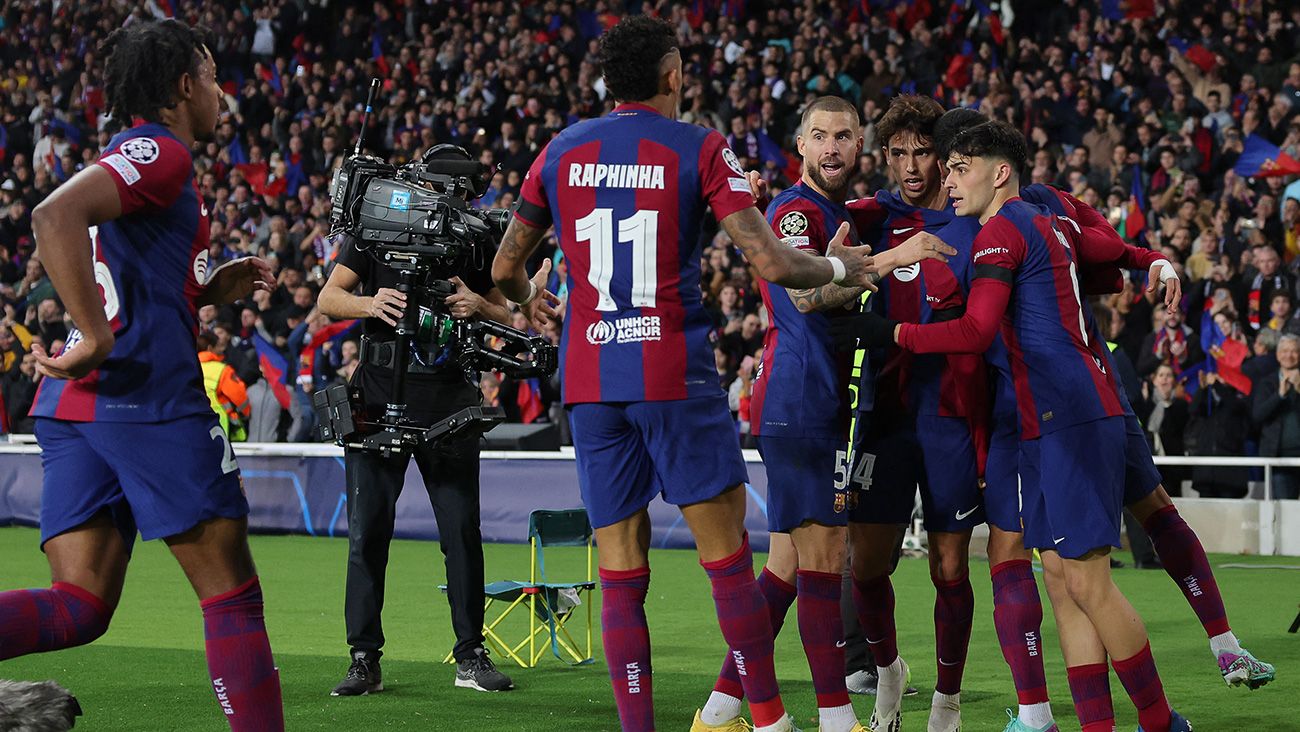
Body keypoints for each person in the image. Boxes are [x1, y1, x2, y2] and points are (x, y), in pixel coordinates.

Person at [491, 16, 876, 732]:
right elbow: (771, 262)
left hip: (593, 382)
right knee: (727, 560)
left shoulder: (558, 151)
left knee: (620, 573)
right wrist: (838, 265)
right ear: (673, 76)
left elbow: (506, 269)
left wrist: (532, 302)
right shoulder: (700, 147)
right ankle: (768, 721)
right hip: (673, 373)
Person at [845, 120, 1194, 732]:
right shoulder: (1043, 217)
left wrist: (894, 331)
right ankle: (1092, 724)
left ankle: (1163, 723)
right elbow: (1112, 260)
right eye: (943, 167)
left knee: (1089, 583)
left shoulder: (1001, 230)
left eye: (958, 167)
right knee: (1065, 580)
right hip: (1050, 416)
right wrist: (1153, 260)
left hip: (1067, 416)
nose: (948, 180)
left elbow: (977, 332)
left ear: (997, 171)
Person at [0, 19, 284, 730]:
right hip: (146, 396)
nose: (224, 92)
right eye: (215, 76)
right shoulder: (160, 151)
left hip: (74, 404)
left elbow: (125, 267)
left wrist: (207, 289)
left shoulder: (131, 157)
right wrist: (95, 333)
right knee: (231, 596)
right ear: (185, 86)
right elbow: (53, 213)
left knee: (79, 605)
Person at [694, 96, 951, 732]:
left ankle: (720, 710)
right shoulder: (796, 211)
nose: (832, 148)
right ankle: (836, 720)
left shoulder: (833, 212)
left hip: (820, 405)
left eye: (843, 136)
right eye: (819, 136)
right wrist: (893, 258)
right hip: (801, 404)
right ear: (801, 146)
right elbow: (806, 296)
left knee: (785, 569)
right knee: (821, 561)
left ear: (859, 146)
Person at [317, 145, 517, 696]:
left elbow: (506, 312)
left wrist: (480, 306)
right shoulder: (379, 221)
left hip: (449, 396)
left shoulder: (476, 235)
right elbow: (329, 297)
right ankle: (364, 657)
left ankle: (470, 653)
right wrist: (370, 304)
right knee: (368, 534)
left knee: (461, 531)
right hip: (377, 393)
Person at [842, 94, 979, 732]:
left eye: (921, 151)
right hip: (884, 415)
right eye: (898, 152)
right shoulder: (871, 218)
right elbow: (806, 232)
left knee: (952, 566)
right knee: (867, 565)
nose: (910, 164)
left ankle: (947, 705)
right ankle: (888, 670)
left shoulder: (973, 220)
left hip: (952, 416)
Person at [1251, 333, 1300, 499]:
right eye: (1285, 351)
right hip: (1278, 460)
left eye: (1294, 351)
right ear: (1278, 355)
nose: (1289, 355)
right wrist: (1279, 395)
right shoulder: (1267, 382)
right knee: (1285, 514)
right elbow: (1257, 415)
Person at [198, 332, 251, 442]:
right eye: (218, 346)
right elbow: (240, 397)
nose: (222, 350)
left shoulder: (188, 369)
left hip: (193, 425)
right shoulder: (222, 370)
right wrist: (245, 413)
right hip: (219, 427)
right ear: (210, 348)